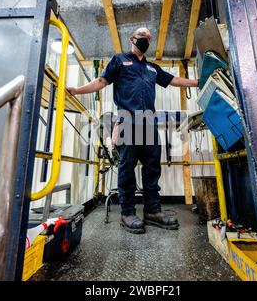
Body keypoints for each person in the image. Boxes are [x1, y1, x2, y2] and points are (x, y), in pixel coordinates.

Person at [67, 27, 198, 234]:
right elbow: (101, 82)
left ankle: (152, 211)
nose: (145, 39)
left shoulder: (153, 68)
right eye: (141, 36)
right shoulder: (119, 60)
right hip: (127, 122)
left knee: (152, 168)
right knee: (127, 169)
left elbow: (173, 80)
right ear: (132, 38)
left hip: (149, 124)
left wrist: (197, 82)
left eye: (148, 37)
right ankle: (127, 213)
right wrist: (76, 90)